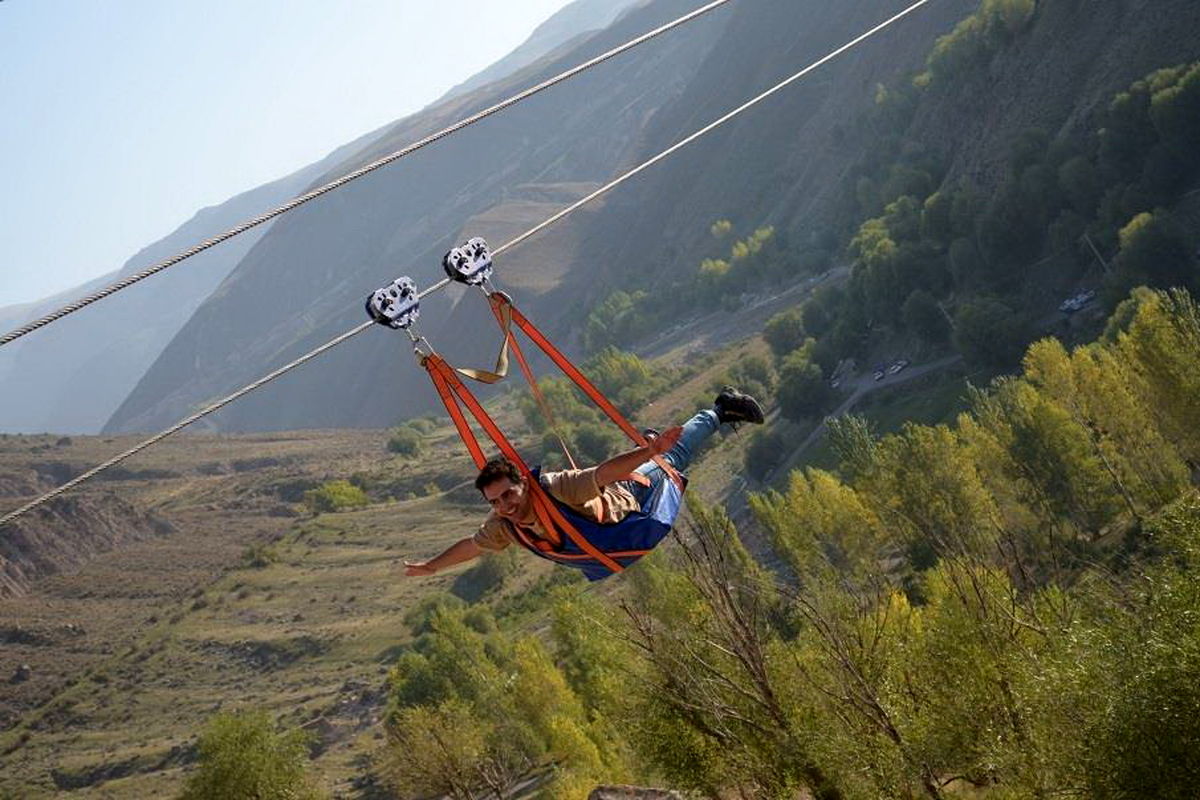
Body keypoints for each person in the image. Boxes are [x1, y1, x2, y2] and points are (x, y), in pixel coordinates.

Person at [403, 387, 764, 578]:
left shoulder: (556, 488)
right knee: (664, 456)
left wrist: (648, 453)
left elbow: (603, 474)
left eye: (508, 495)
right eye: (495, 502)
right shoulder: (505, 526)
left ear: (524, 484)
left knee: (672, 459)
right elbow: (473, 545)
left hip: (630, 499)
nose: (504, 505)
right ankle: (651, 445)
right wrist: (432, 566)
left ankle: (719, 408)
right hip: (609, 541)